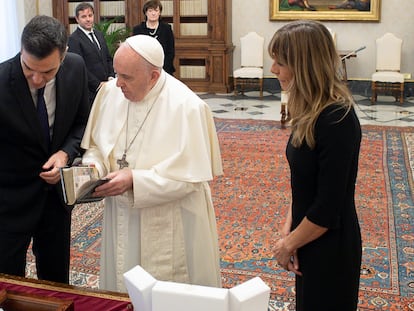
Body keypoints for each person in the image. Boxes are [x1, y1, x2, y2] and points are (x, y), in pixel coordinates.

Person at [80, 35, 222, 292]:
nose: (118, 83)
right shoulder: (111, 93)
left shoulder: (187, 107)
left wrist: (134, 180)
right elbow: (96, 148)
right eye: (117, 73)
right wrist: (94, 169)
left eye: (127, 77)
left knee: (165, 292)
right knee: (120, 286)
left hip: (168, 220)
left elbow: (189, 181)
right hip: (121, 213)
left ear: (154, 76)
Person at [269, 20, 362, 311]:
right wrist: (291, 231)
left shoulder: (336, 119)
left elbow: (328, 207)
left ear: (304, 66)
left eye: (280, 63)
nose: (273, 70)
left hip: (331, 246)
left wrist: (287, 245)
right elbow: (305, 184)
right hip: (309, 237)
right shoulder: (309, 111)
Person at [0, 15, 90, 283]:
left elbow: (82, 123)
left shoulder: (76, 68)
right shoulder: (1, 81)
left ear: (63, 56)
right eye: (29, 68)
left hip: (55, 200)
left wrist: (65, 154)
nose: (37, 79)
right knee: (8, 283)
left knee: (55, 280)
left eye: (48, 72)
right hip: (9, 201)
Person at [68, 2, 115, 103]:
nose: (88, 19)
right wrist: (98, 84)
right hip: (90, 92)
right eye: (83, 16)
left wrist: (111, 77)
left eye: (90, 15)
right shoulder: (74, 39)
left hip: (108, 87)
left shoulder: (99, 34)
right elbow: (80, 68)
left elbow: (107, 58)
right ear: (77, 19)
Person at [133, 0, 175, 75]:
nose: (153, 13)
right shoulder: (138, 30)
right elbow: (136, 52)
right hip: (143, 70)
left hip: (164, 69)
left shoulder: (166, 28)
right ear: (145, 13)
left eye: (156, 10)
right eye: (150, 11)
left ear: (159, 13)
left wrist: (161, 69)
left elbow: (170, 52)